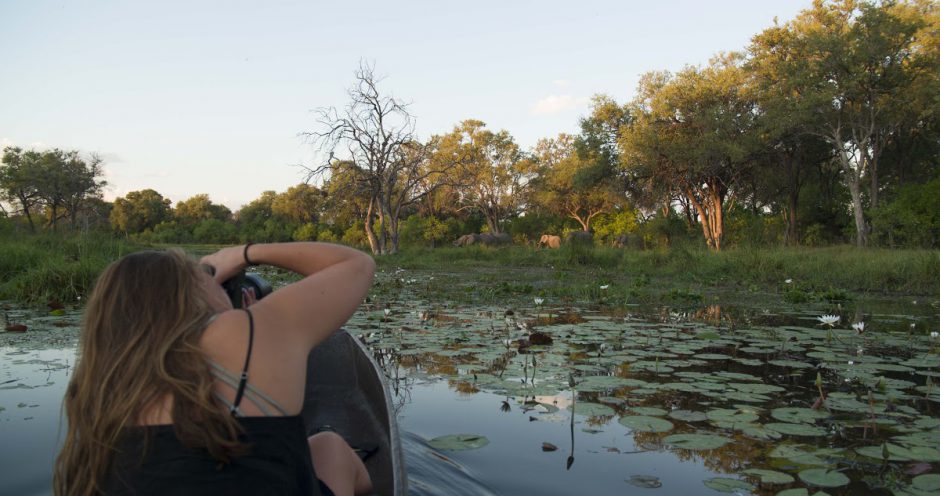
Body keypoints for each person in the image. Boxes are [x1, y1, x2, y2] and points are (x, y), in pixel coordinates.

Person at [54, 242, 376, 496]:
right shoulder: (247, 333)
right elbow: (355, 265)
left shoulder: (100, 382)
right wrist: (244, 254)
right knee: (331, 447)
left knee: (323, 449)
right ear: (190, 293)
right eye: (209, 276)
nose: (221, 286)